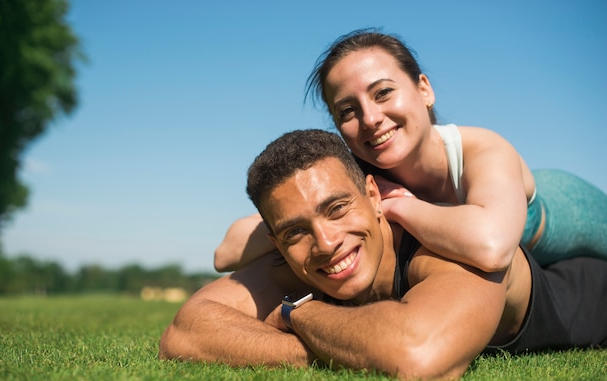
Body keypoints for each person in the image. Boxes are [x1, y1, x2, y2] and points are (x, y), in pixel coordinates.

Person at [160, 129, 607, 381]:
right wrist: (344, 347)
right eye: (295, 231)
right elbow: (186, 332)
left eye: (337, 208)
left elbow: (416, 355)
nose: (326, 242)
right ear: (275, 241)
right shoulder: (300, 255)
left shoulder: (442, 249)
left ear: (375, 196)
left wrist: (298, 315)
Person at [214, 29, 607, 273]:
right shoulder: (355, 175)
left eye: (383, 92)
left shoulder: (481, 149)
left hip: (566, 213)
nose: (370, 119)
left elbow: (490, 247)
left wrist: (399, 205)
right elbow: (226, 252)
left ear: (424, 89)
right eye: (347, 111)